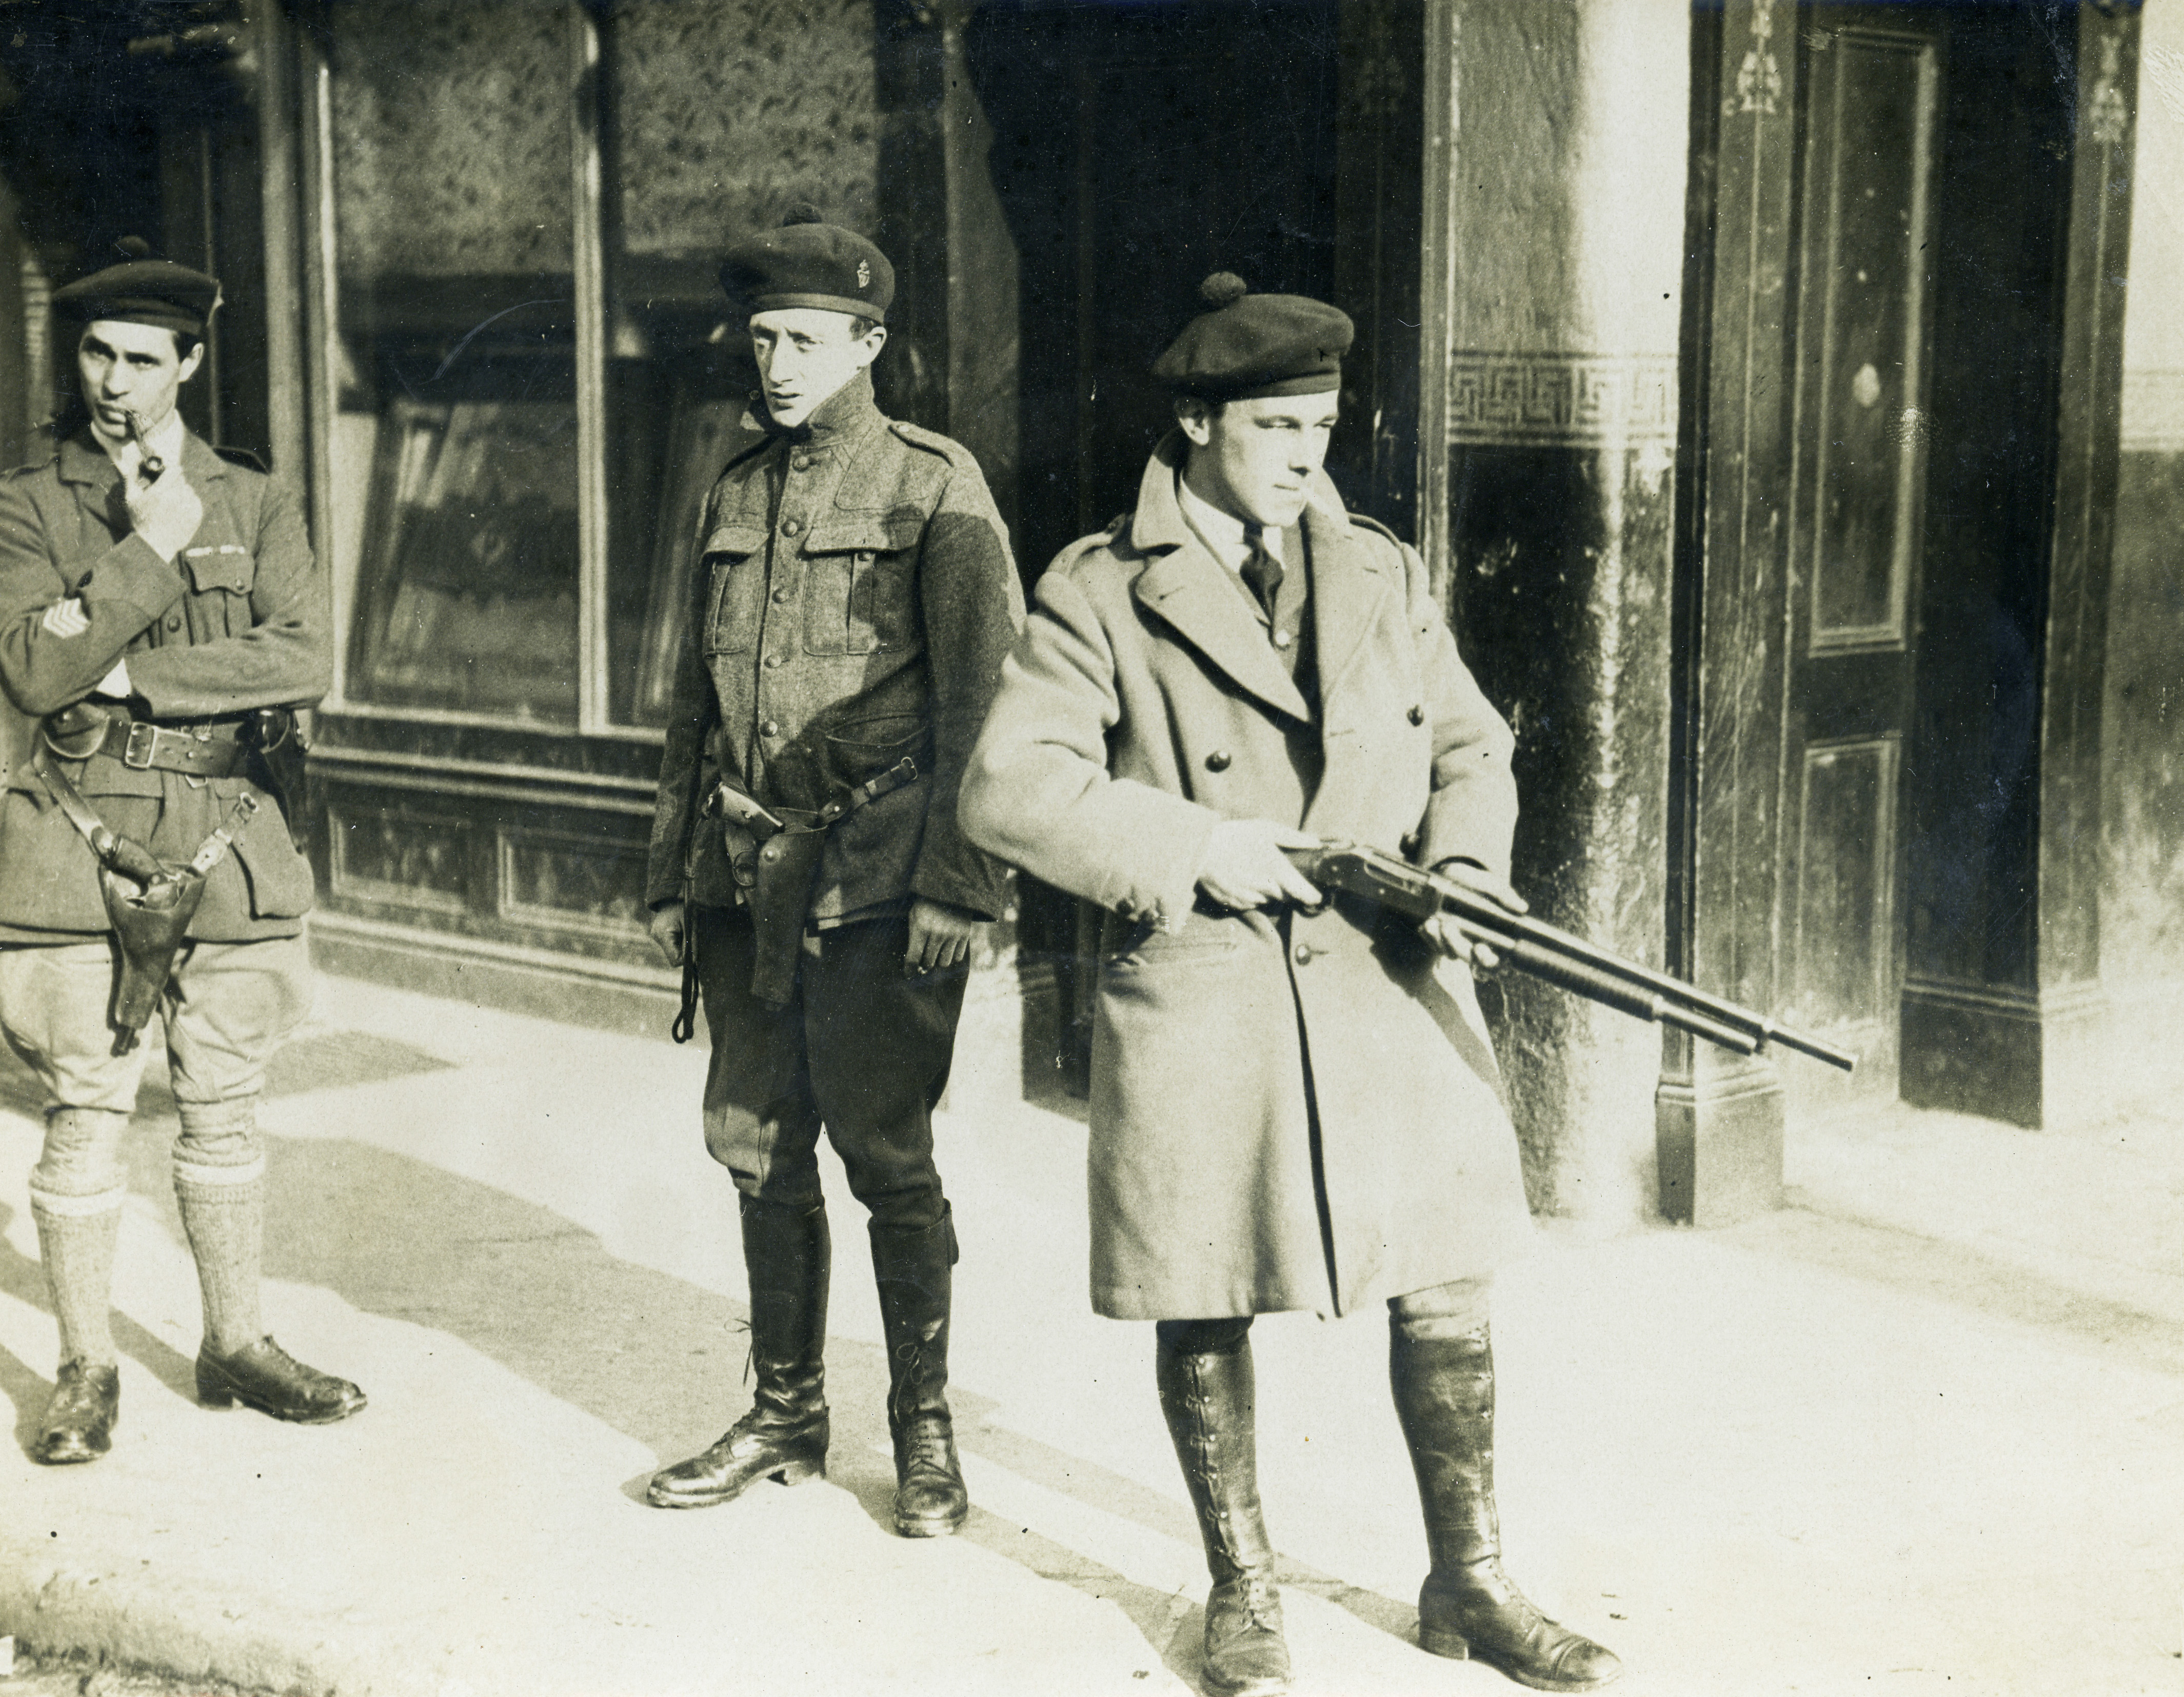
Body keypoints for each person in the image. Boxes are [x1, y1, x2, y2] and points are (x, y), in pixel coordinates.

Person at [958, 273, 1622, 1694]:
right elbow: (1010, 786)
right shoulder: (1097, 589)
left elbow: (1470, 745)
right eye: (1274, 427)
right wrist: (1199, 844)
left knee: (1444, 1272)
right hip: (1210, 978)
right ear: (1198, 422)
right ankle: (1242, 1584)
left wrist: (1467, 869)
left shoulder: (1378, 568)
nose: (1306, 455)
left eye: (1321, 426)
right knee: (1206, 1279)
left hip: (1385, 971)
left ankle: (1470, 1575)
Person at [641, 208, 1022, 1537]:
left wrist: (958, 885)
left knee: (886, 1151)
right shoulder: (736, 489)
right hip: (745, 876)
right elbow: (693, 701)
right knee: (755, 1145)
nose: (778, 363)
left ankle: (923, 1428)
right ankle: (784, 1409)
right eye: (762, 339)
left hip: (878, 881)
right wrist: (672, 872)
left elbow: (987, 704)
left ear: (869, 343)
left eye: (805, 340)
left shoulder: (934, 486)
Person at [0, 240, 362, 1466]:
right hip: (75, 839)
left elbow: (303, 655)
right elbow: (32, 668)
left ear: (189, 363)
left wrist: (124, 670)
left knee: (226, 1105)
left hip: (231, 835)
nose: (115, 381)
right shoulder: (24, 503)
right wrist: (150, 546)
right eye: (97, 353)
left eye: (144, 359)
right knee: (86, 1108)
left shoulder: (255, 498)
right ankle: (85, 1366)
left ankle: (235, 1340)